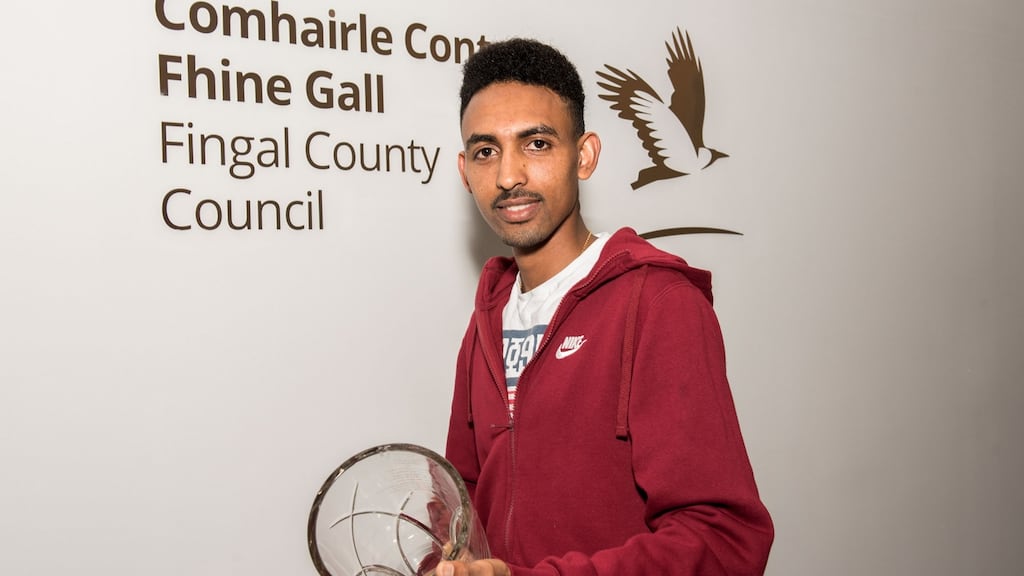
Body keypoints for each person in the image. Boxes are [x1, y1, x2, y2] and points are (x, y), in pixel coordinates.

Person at [437, 38, 773, 576]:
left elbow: (724, 540)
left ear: (585, 155)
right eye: (485, 151)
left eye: (537, 144)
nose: (508, 176)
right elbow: (463, 503)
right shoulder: (486, 322)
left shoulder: (658, 302)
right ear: (463, 170)